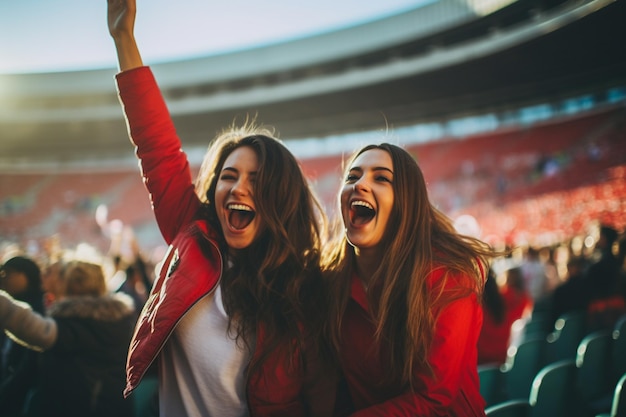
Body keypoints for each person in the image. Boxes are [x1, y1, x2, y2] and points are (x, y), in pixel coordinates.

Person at [106, 1, 335, 416]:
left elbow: (319, 399)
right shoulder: (190, 232)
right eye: (229, 176)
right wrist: (124, 40)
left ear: (281, 199)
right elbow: (157, 149)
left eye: (256, 179)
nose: (237, 188)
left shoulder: (304, 292)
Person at [323, 143, 497, 416]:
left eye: (381, 178)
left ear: (407, 200)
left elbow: (434, 398)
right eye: (352, 176)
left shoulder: (447, 276)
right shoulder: (331, 282)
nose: (360, 185)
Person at [0, 258, 135, 417]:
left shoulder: (85, 322)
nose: (45, 276)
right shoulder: (107, 318)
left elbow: (40, 332)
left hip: (88, 409)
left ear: (75, 284)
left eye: (57, 275)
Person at [0, 256, 45, 417]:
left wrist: (9, 389)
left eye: (8, 273)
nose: (3, 279)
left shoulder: (39, 309)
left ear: (25, 275)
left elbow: (30, 363)